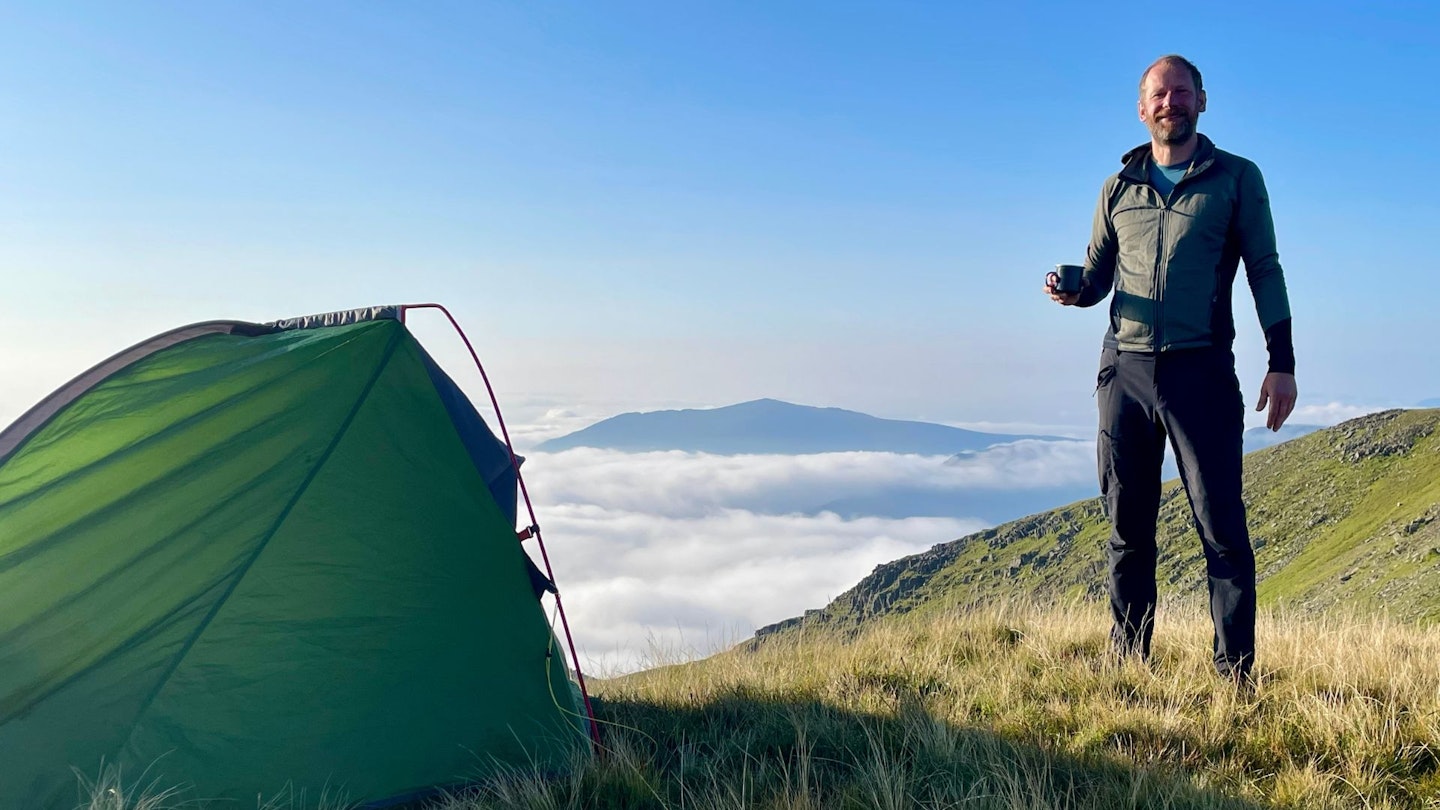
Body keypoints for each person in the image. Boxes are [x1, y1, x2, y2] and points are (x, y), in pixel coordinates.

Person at [1044, 54, 1297, 681]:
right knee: (1127, 531)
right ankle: (1129, 667)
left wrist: (1282, 362)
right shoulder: (1118, 187)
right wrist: (1073, 290)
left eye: (1181, 92)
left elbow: (1264, 268)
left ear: (1202, 101)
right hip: (1124, 372)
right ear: (1141, 107)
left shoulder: (1236, 178)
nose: (1170, 103)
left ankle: (1234, 679)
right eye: (1159, 94)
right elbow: (1101, 277)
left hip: (1201, 374)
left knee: (1222, 530)